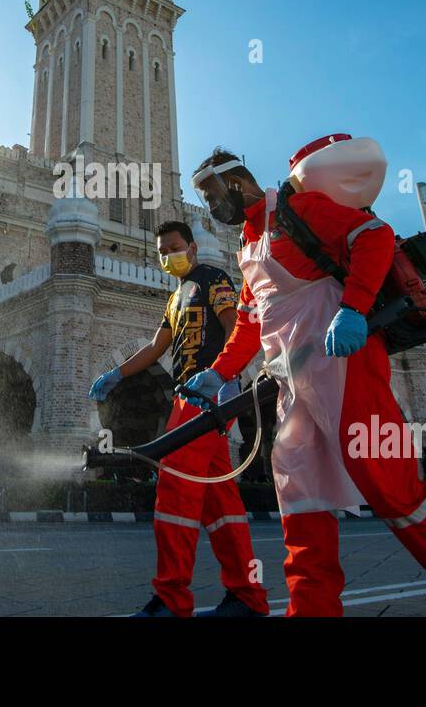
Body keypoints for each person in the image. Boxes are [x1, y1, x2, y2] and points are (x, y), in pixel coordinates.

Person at [183, 141, 426, 617]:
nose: (212, 208)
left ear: (233, 182)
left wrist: (353, 308)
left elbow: (373, 235)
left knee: (393, 490)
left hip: (347, 365)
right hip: (293, 382)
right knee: (300, 495)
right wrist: (217, 372)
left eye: (213, 196)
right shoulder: (248, 245)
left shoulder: (298, 210)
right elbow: (251, 322)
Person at [88, 220, 269, 618]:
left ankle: (172, 599)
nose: (167, 256)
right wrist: (118, 374)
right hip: (188, 396)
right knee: (222, 504)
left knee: (175, 492)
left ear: (191, 246)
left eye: (173, 247)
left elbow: (233, 324)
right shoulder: (175, 298)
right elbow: (156, 347)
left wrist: (228, 378)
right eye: (161, 251)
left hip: (203, 399)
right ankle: (247, 596)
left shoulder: (212, 277)